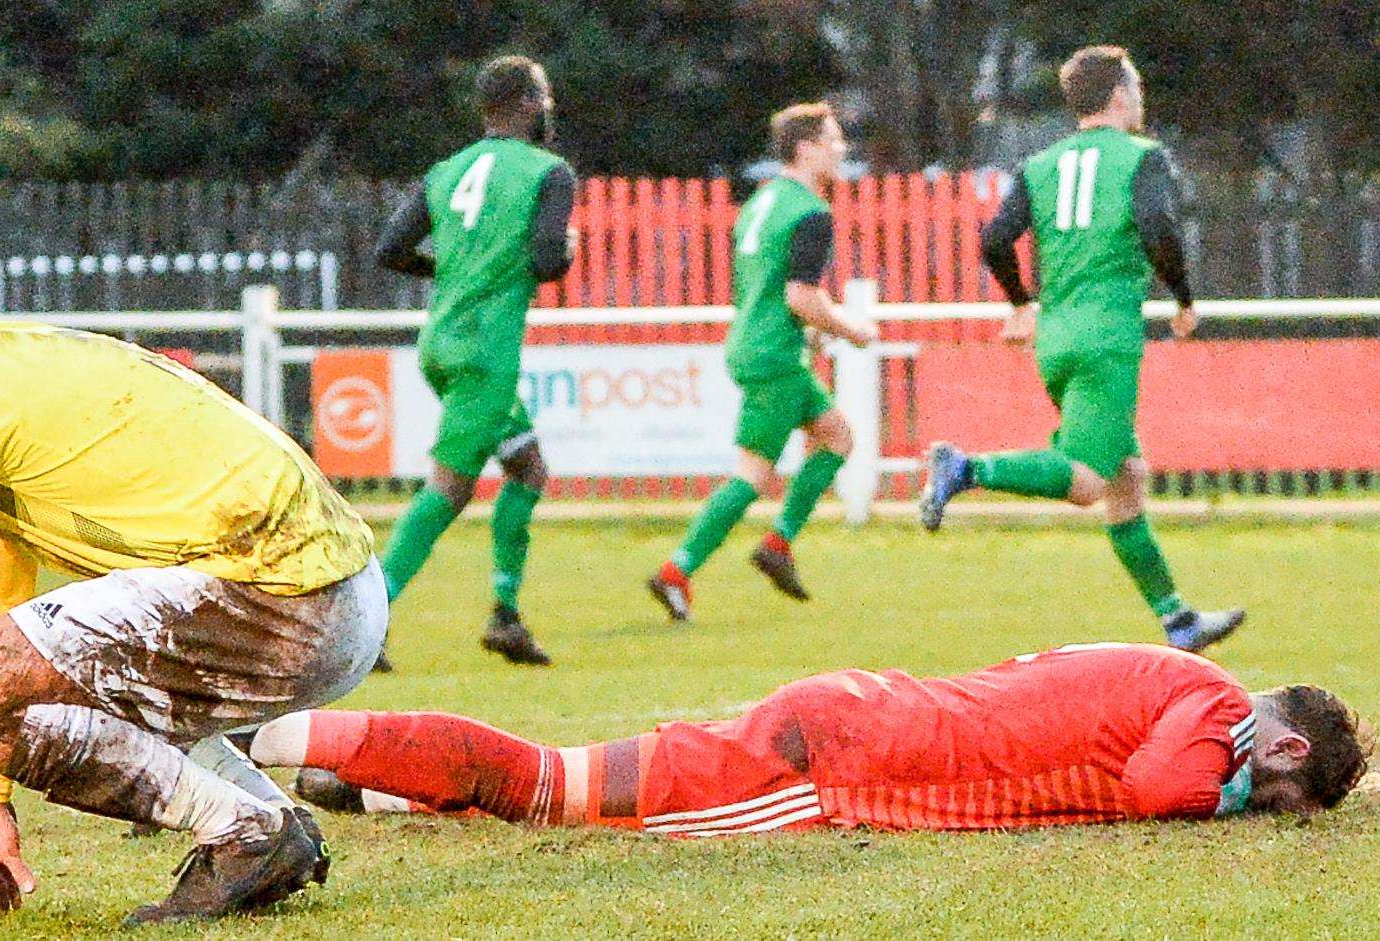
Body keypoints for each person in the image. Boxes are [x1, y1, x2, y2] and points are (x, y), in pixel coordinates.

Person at [0, 321, 387, 929]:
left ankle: (244, 834)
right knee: (11, 679)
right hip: (329, 594)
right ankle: (269, 819)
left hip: (288, 600)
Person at [243, 643, 1366, 835]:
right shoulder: (1217, 708)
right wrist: (1217, 796)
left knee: (560, 786)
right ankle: (264, 731)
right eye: (1272, 802)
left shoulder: (1175, 674)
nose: (1252, 811)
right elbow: (1161, 789)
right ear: (1281, 751)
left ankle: (365, 788)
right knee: (548, 784)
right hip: (835, 762)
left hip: (853, 715)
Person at [918, 45, 1242, 652]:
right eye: (1137, 88)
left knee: (1127, 476)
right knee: (1090, 479)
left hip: (1057, 337)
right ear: (1120, 95)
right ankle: (963, 468)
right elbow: (1158, 228)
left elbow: (993, 239)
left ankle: (1178, 620)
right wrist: (1183, 296)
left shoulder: (1040, 164)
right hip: (1106, 338)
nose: (1141, 100)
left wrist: (1020, 303)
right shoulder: (1143, 157)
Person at [371, 55, 576, 668]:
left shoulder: (447, 170)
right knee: (449, 490)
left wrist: (452, 271)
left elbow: (389, 249)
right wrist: (565, 250)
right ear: (528, 103)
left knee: (529, 468)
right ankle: (364, 624)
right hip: (486, 355)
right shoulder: (550, 172)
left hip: (440, 343)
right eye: (543, 96)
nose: (548, 108)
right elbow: (545, 260)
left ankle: (505, 618)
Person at [647, 102, 876, 622]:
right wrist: (849, 328)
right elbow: (800, 296)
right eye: (834, 140)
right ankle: (676, 571)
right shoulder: (811, 212)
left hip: (757, 343)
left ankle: (779, 544)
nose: (842, 150)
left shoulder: (761, 203)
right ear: (806, 148)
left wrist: (812, 329)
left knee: (837, 435)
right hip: (775, 354)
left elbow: (768, 286)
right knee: (752, 474)